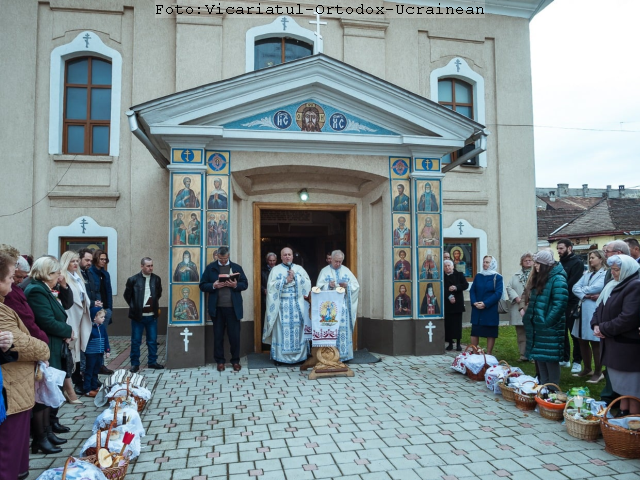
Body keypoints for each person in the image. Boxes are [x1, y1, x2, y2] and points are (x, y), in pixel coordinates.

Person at [0, 251, 51, 479]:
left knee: (18, 453)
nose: (14, 280)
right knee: (7, 454)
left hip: (18, 386)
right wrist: (43, 348)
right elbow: (23, 343)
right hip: (10, 388)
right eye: (11, 276)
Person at [24, 256, 74, 451]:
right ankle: (40, 438)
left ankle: (47, 432)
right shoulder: (36, 290)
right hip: (48, 344)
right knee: (43, 393)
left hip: (53, 344)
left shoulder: (43, 288)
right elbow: (45, 320)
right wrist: (67, 331)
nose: (58, 276)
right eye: (56, 273)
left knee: (50, 389)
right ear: (47, 273)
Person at [591, 254, 640, 416]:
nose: (613, 272)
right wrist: (596, 324)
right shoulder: (613, 285)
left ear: (627, 269)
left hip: (626, 346)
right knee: (621, 387)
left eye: (616, 270)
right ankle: (623, 412)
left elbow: (628, 318)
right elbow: (600, 308)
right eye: (612, 269)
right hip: (613, 344)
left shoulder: (634, 286)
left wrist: (603, 328)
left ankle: (632, 422)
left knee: (631, 388)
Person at [521, 250, 568, 387]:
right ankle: (543, 386)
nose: (535, 266)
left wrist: (547, 322)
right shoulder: (542, 278)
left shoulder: (558, 279)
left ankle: (552, 389)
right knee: (539, 356)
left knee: (550, 358)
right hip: (539, 325)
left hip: (550, 327)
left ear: (545, 264)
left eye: (537, 263)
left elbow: (559, 304)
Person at [199, 247, 248, 371]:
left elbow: (245, 284)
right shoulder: (211, 268)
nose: (223, 261)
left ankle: (235, 361)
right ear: (217, 256)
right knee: (218, 336)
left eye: (225, 258)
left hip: (233, 308)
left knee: (234, 336)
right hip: (217, 308)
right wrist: (213, 285)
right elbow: (202, 285)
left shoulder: (236, 267)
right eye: (221, 259)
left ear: (228, 255)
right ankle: (220, 361)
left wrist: (235, 285)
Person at [263, 247, 311, 364]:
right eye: (285, 255)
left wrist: (296, 277)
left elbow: (308, 284)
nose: (287, 256)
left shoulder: (299, 269)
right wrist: (285, 280)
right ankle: (280, 358)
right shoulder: (275, 270)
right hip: (281, 306)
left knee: (298, 330)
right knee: (280, 331)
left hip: (297, 306)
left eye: (289, 254)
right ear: (281, 256)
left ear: (293, 256)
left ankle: (300, 357)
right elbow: (270, 288)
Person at [60, 250, 92, 403]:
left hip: (80, 317)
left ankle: (78, 380)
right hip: (71, 316)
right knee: (71, 350)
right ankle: (72, 383)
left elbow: (82, 296)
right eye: (72, 261)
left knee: (79, 350)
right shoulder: (63, 277)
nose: (75, 263)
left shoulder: (78, 277)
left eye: (76, 261)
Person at [571, 250, 607, 383]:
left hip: (593, 310)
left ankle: (598, 371)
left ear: (600, 259)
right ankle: (587, 368)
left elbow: (597, 287)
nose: (590, 260)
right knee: (582, 339)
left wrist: (584, 290)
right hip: (582, 309)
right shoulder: (588, 273)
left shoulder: (605, 274)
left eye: (592, 258)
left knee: (594, 341)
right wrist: (584, 294)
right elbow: (575, 287)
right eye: (589, 258)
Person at [317, 250, 360, 361]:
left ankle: (344, 355)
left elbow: (356, 286)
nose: (338, 264)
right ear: (331, 259)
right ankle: (329, 356)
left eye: (340, 261)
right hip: (329, 309)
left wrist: (347, 286)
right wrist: (328, 286)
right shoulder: (324, 271)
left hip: (343, 308)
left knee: (343, 330)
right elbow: (318, 288)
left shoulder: (346, 270)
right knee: (331, 331)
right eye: (336, 261)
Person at [124, 257, 164, 373]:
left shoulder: (156, 279)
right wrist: (135, 307)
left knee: (152, 340)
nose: (150, 268)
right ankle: (134, 364)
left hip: (152, 316)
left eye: (152, 265)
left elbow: (158, 294)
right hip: (138, 316)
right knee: (136, 341)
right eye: (148, 266)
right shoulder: (133, 280)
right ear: (142, 266)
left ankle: (152, 362)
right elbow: (127, 296)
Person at [556, 239, 584, 372]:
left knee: (574, 332)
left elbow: (573, 282)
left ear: (569, 248)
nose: (559, 251)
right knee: (562, 331)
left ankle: (577, 361)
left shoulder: (577, 262)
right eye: (558, 249)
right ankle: (565, 358)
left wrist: (560, 290)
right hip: (560, 301)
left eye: (561, 248)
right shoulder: (559, 263)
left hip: (572, 302)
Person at [469, 255, 503, 354]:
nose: (485, 264)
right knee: (475, 331)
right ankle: (475, 352)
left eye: (487, 262)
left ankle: (488, 354)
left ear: (492, 264)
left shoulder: (498, 277)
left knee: (490, 332)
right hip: (477, 308)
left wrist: (485, 303)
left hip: (490, 309)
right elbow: (472, 290)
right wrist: (474, 302)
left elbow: (498, 293)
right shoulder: (478, 276)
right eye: (484, 262)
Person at [506, 252, 534, 361]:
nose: (527, 262)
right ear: (521, 262)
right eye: (525, 260)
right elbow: (509, 287)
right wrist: (516, 298)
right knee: (521, 333)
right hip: (518, 307)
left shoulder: (536, 274)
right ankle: (523, 355)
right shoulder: (515, 275)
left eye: (529, 260)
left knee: (532, 332)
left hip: (531, 306)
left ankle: (532, 355)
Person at [84, 308, 110, 396]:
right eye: (102, 317)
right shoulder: (89, 328)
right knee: (89, 370)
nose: (104, 319)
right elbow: (85, 340)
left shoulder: (102, 328)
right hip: (91, 353)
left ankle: (94, 386)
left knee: (96, 370)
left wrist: (107, 350)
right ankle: (87, 389)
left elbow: (106, 339)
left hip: (99, 353)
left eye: (104, 317)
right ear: (94, 318)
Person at [443, 259, 468, 351]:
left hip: (457, 304)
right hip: (447, 304)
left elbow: (465, 285)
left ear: (453, 266)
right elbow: (441, 288)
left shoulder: (459, 275)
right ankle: (450, 343)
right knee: (448, 324)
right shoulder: (442, 277)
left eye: (449, 265)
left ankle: (458, 343)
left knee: (457, 324)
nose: (447, 267)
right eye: (445, 266)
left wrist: (456, 287)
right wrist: (448, 296)